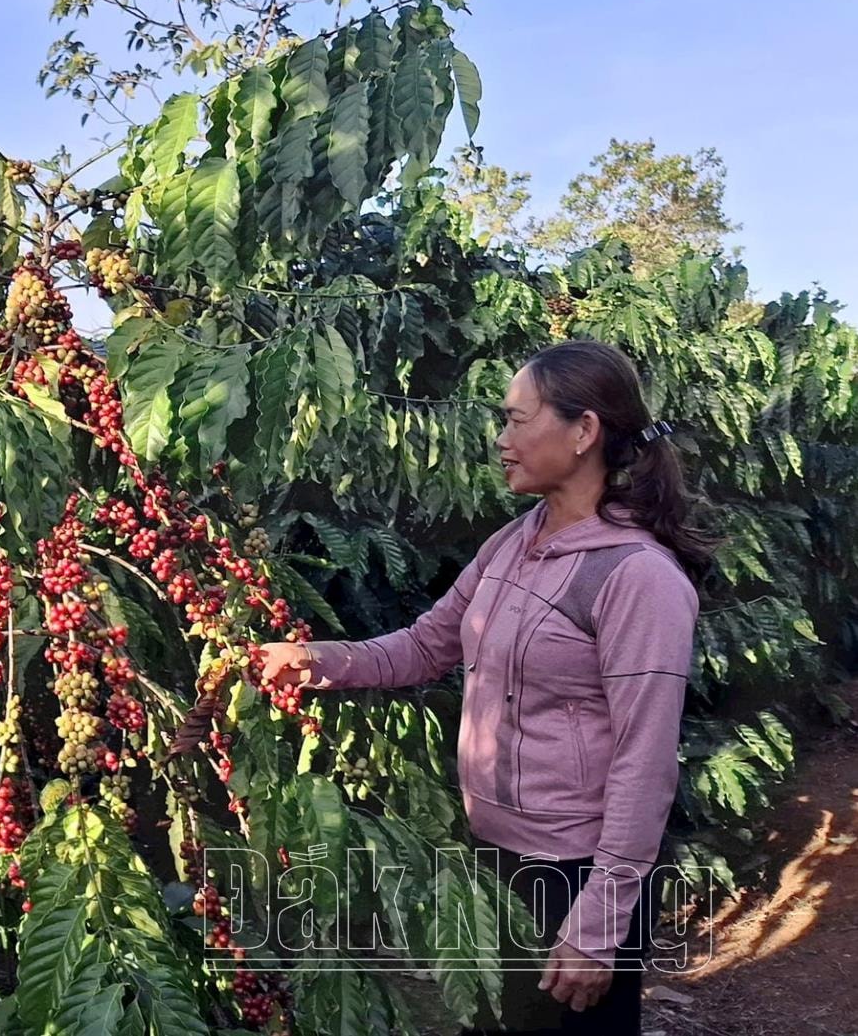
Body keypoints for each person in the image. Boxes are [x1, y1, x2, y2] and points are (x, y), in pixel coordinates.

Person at [259, 341, 716, 1036]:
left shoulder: (637, 577)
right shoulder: (513, 542)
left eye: (515, 419)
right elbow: (422, 645)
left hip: (577, 873)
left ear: (583, 431)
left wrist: (596, 923)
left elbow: (644, 761)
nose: (500, 440)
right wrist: (315, 658)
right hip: (497, 857)